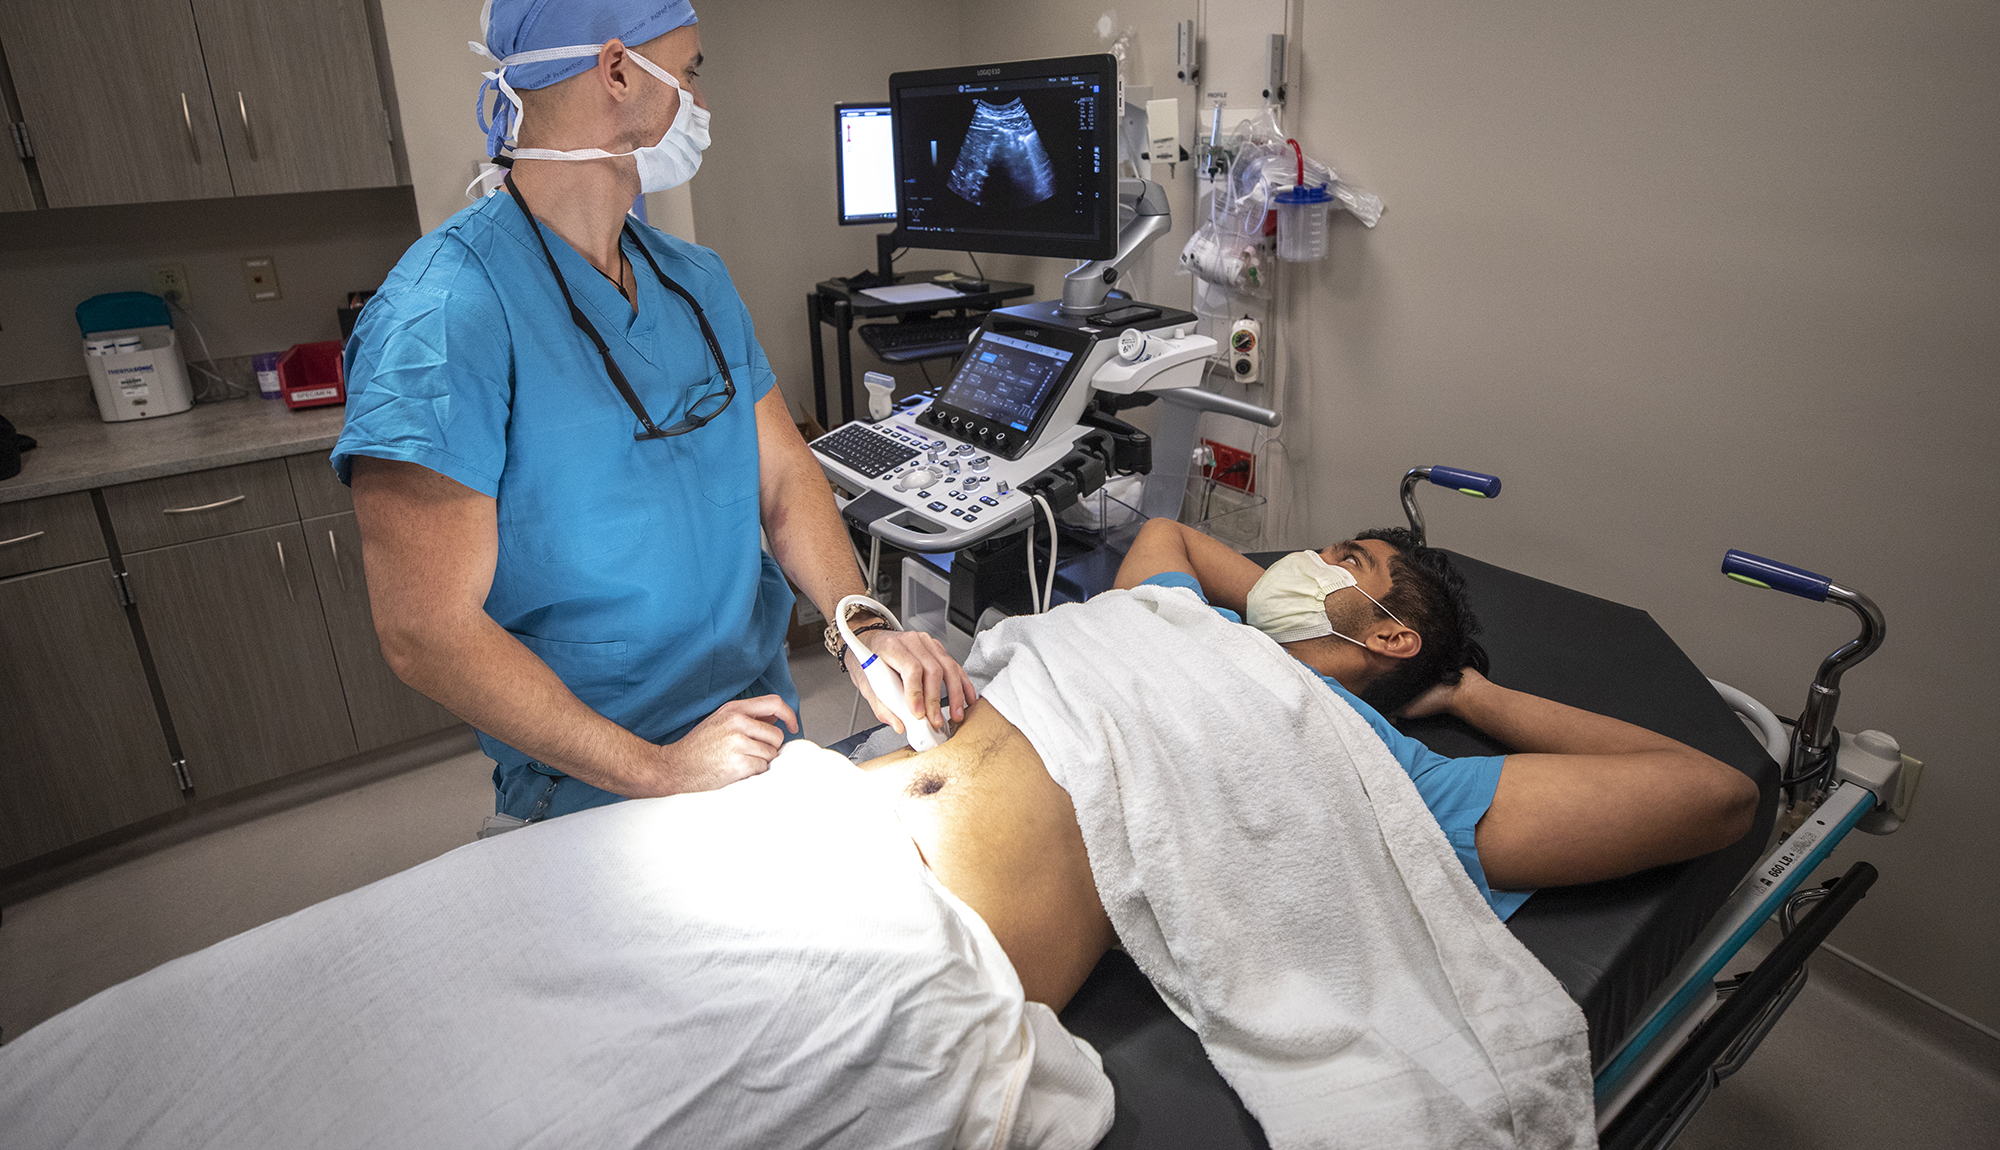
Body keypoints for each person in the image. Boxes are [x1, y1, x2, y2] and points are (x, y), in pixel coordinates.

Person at [332, 0, 971, 829]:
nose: (700, 103)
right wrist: (660, 770)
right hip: (594, 793)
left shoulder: (694, 282)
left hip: (759, 745)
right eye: (692, 70)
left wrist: (864, 631)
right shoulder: (441, 315)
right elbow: (425, 630)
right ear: (619, 71)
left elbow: (782, 479)